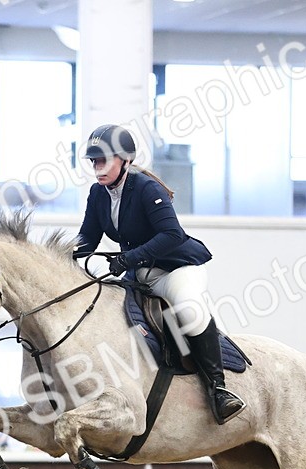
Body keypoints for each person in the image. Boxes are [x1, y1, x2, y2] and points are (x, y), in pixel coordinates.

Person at [73, 123, 245, 425]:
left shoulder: (146, 189)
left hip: (175, 269)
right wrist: (60, 255)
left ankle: (219, 389)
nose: (97, 168)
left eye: (103, 160)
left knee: (189, 311)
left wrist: (129, 258)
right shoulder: (98, 194)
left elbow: (172, 234)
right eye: (93, 161)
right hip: (138, 274)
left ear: (124, 160)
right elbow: (88, 236)